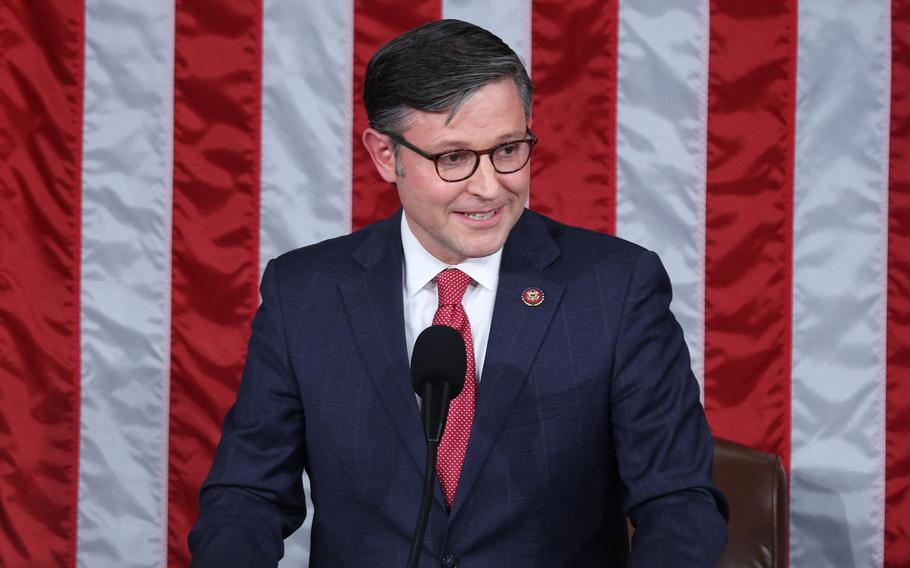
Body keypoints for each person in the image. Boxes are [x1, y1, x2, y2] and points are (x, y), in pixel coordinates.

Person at [189, 19, 728, 567]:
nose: (490, 186)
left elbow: (678, 501)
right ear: (384, 155)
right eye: (453, 158)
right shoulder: (305, 294)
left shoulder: (615, 289)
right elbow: (247, 495)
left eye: (508, 149)